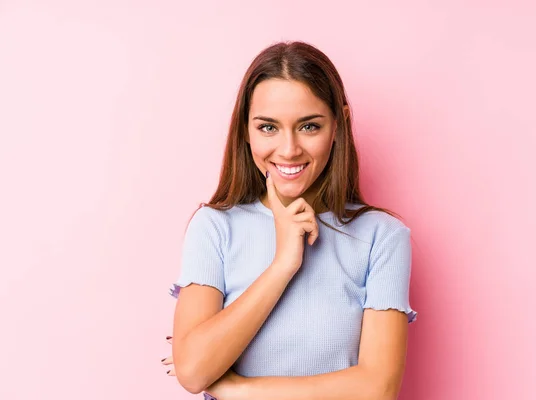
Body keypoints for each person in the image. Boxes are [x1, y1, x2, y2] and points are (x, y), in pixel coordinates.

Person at [160, 40, 418, 400]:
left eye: (309, 126)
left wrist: (237, 389)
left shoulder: (382, 237)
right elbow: (193, 371)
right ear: (245, 130)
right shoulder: (215, 227)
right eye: (268, 127)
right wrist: (283, 264)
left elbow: (378, 388)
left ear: (339, 124)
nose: (288, 149)